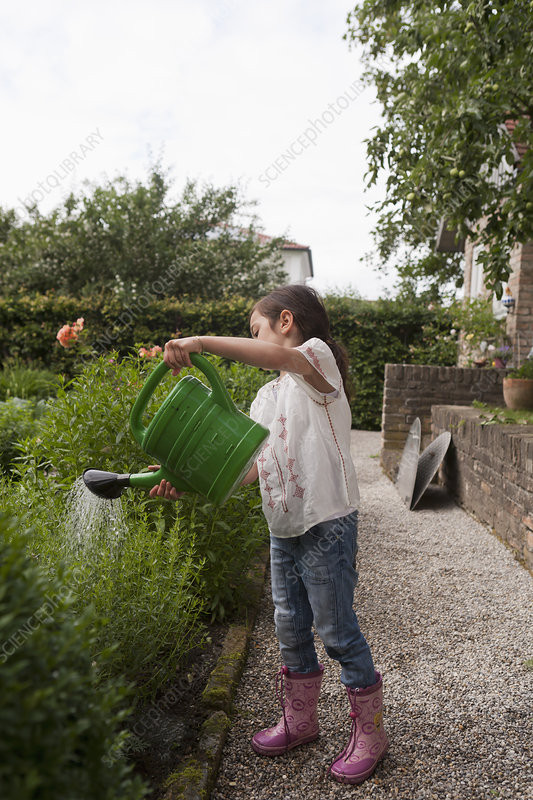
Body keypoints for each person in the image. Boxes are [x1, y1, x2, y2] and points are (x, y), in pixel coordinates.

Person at [150, 284, 389, 785]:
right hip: (284, 527)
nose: (252, 342)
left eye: (254, 330)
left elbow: (275, 358)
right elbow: (246, 467)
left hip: (327, 522)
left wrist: (201, 341)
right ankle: (300, 721)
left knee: (336, 630)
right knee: (289, 627)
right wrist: (188, 480)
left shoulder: (317, 363)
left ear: (286, 321)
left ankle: (371, 733)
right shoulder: (266, 396)